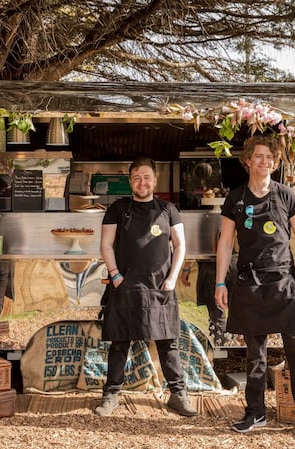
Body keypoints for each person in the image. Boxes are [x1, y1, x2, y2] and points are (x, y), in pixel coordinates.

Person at [214, 133, 295, 442]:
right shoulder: (235, 198)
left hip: (285, 283)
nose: (264, 162)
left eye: (270, 158)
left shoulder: (286, 195)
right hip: (249, 283)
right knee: (254, 355)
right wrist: (221, 281)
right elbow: (224, 243)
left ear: (275, 164)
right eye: (258, 156)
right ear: (248, 160)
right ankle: (255, 413)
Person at [96, 156, 197, 418]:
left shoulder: (168, 210)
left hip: (160, 286)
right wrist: (115, 275)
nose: (142, 182)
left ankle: (178, 394)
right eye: (137, 177)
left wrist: (173, 278)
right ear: (130, 181)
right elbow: (106, 244)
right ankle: (111, 395)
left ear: (155, 180)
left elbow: (181, 245)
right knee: (119, 342)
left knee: (167, 342)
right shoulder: (118, 208)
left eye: (147, 177)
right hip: (125, 285)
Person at [179, 260, 236, 346]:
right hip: (234, 262)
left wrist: (186, 268)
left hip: (211, 266)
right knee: (236, 312)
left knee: (218, 316)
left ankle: (223, 350)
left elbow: (196, 248)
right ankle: (233, 348)